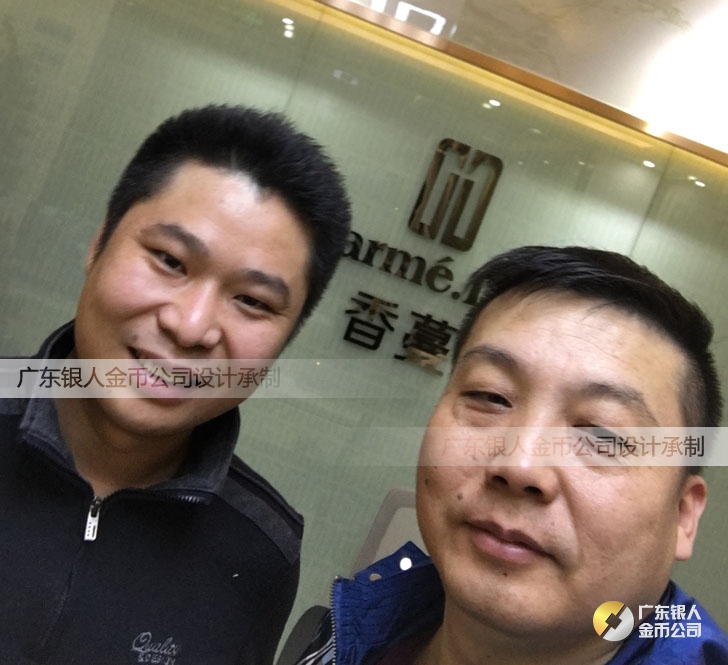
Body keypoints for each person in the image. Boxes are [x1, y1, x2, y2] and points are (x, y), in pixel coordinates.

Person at [0, 105, 351, 665]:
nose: (190, 326)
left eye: (252, 301)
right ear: (99, 244)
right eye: (169, 260)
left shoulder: (259, 550)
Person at [294, 246, 728, 665]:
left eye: (602, 433)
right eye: (490, 396)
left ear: (682, 516)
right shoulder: (352, 632)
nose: (519, 465)